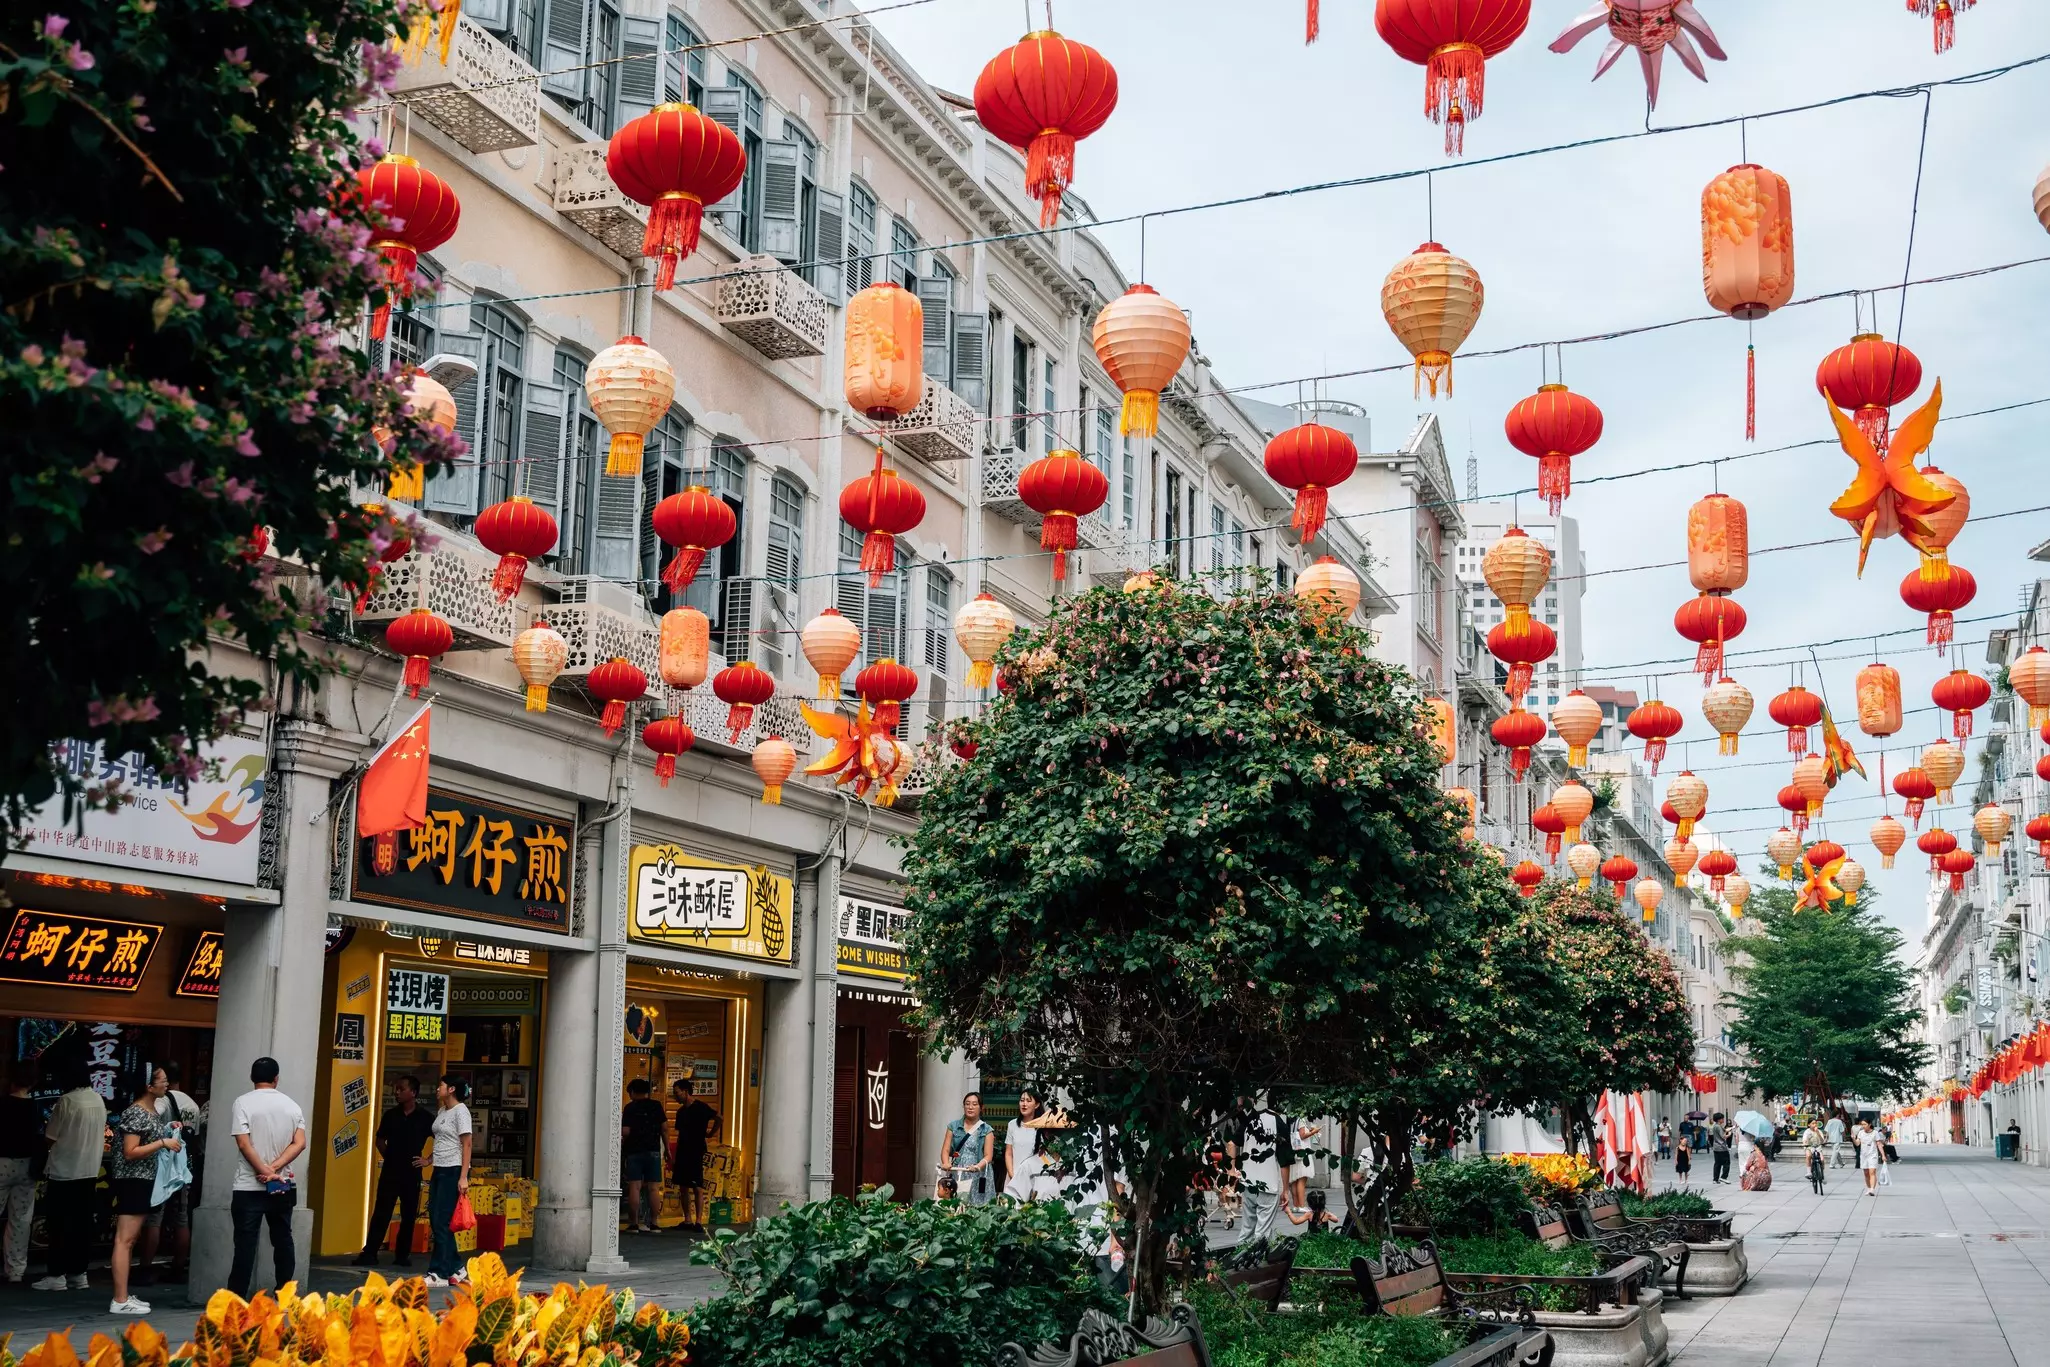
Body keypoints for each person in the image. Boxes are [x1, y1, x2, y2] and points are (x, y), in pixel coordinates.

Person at [227, 1057, 307, 1298]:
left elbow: (243, 1143)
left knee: (245, 1244)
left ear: (252, 1077)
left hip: (247, 1186)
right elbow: (300, 1143)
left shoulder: (242, 1102)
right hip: (282, 1185)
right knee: (283, 1239)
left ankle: (237, 1296)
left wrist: (263, 1170)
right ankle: (285, 1292)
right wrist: (274, 1169)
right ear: (276, 1078)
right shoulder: (292, 1105)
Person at [108, 1068, 182, 1316]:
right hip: (133, 1179)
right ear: (149, 1087)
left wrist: (168, 1131)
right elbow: (130, 1151)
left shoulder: (150, 1111)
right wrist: (163, 1142)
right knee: (125, 1239)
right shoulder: (136, 1112)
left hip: (143, 1179)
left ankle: (124, 1295)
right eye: (162, 1080)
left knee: (129, 1239)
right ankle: (119, 1299)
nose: (166, 1084)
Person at [34, 1062, 106, 1292]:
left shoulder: (66, 1101)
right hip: (89, 1172)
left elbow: (50, 1136)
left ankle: (56, 1274)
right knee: (81, 1226)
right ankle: (79, 1274)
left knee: (59, 1226)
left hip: (64, 1173)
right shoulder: (98, 1100)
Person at [355, 1075, 435, 1266]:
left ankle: (402, 1255)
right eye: (396, 1089)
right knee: (382, 1211)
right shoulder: (391, 1115)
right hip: (390, 1170)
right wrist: (388, 1155)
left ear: (413, 1093)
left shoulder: (425, 1117)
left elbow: (442, 1139)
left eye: (401, 1089)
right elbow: (380, 1139)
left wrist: (428, 1160)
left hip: (412, 1171)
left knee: (409, 1215)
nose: (396, 1092)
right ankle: (370, 1253)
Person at [139, 1062, 202, 1284]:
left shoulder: (162, 1102)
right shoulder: (192, 1104)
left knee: (154, 1218)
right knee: (182, 1218)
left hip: (163, 1168)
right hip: (184, 1168)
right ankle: (178, 1266)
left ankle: (145, 1268)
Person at [424, 1075, 473, 1287]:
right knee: (436, 1218)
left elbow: (467, 1144)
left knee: (442, 1221)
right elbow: (444, 1140)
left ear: (451, 1089)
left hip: (453, 1170)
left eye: (441, 1085)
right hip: (439, 1169)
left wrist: (463, 1177)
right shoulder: (443, 1111)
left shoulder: (461, 1111)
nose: (437, 1089)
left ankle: (439, 1273)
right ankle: (458, 1269)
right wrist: (429, 1159)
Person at [0, 1069, 41, 1284]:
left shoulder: (3, 1104)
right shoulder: (33, 1107)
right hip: (26, 1166)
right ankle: (16, 1270)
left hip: (2, 1162)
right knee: (21, 1220)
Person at [669, 1078, 720, 1233]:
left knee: (697, 1186)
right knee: (683, 1186)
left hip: (696, 1150)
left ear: (685, 1091)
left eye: (677, 1093)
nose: (675, 1096)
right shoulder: (680, 1111)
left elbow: (719, 1117)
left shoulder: (701, 1107)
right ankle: (687, 1220)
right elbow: (679, 1133)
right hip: (683, 1149)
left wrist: (711, 1133)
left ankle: (698, 1221)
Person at [619, 1079, 669, 1234]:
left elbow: (625, 1131)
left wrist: (620, 1141)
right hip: (653, 1150)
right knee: (654, 1188)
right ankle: (654, 1224)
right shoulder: (656, 1106)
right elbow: (665, 1129)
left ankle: (634, 1224)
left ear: (632, 1091)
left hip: (634, 1151)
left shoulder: (629, 1108)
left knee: (635, 1186)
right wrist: (667, 1149)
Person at [1235, 1101, 1287, 1244]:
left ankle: (1238, 1259)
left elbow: (1232, 1142)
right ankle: (1258, 1262)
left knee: (1247, 1228)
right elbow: (1285, 1161)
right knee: (1262, 1232)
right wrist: (1286, 1190)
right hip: (1268, 1184)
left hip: (1248, 1183)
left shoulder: (1251, 1119)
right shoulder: (1279, 1123)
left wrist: (1232, 1170)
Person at [940, 1093, 996, 1205]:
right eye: (967, 1104)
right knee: (957, 1204)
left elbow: (988, 1156)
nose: (970, 1107)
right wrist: (946, 1163)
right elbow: (945, 1150)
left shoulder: (987, 1130)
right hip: (958, 1171)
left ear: (981, 1107)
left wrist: (978, 1167)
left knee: (977, 1206)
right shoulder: (953, 1126)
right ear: (963, 1106)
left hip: (978, 1173)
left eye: (974, 1104)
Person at [1004, 1089, 1050, 1201]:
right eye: (1022, 1100)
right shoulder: (1012, 1125)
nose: (1024, 1104)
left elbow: (1045, 1155)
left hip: (1036, 1176)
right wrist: (1012, 1174)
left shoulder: (1043, 1126)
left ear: (1037, 1105)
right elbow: (1009, 1153)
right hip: (1014, 1175)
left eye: (1028, 1101)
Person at [1855, 1119, 1882, 1196]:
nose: (1863, 1126)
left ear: (1869, 1124)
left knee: (1872, 1172)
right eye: (1862, 1124)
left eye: (1864, 1124)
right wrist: (1853, 1138)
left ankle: (1872, 1190)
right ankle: (1869, 1188)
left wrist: (1883, 1155)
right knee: (1866, 1173)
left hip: (1872, 1155)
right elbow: (1857, 1144)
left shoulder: (1875, 1133)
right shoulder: (1860, 1133)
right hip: (1863, 1156)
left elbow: (1879, 1144)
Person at [1801, 1120, 1826, 1194]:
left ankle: (1822, 1175)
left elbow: (1822, 1141)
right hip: (1809, 1147)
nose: (1814, 1125)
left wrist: (1818, 1133)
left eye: (1815, 1123)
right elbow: (1805, 1140)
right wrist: (1805, 1143)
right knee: (1808, 1156)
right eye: (1813, 1123)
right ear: (1809, 1124)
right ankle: (1809, 1172)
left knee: (1822, 1159)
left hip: (1818, 1147)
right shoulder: (1807, 1132)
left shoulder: (1819, 1131)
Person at [1708, 1112, 1734, 1184]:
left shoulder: (1716, 1125)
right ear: (1719, 1119)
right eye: (1722, 1118)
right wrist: (1729, 1134)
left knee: (1717, 1163)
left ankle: (1715, 1179)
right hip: (1722, 1147)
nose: (1723, 1120)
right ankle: (1724, 1177)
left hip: (1716, 1147)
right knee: (1726, 1162)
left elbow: (1725, 1130)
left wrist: (1733, 1127)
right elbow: (1723, 1136)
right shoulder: (1718, 1127)